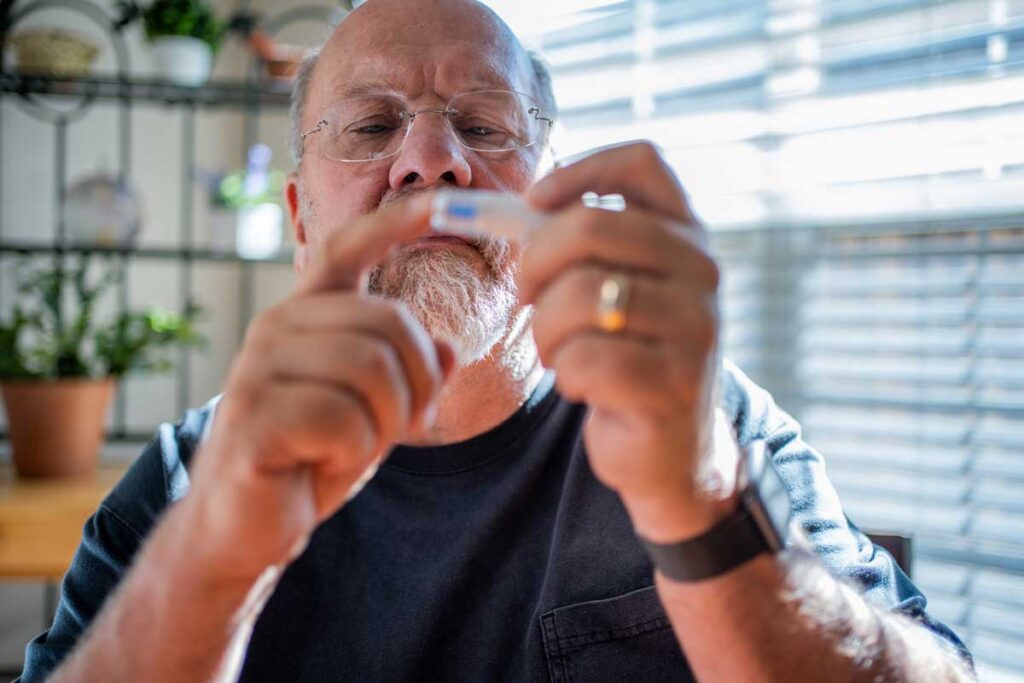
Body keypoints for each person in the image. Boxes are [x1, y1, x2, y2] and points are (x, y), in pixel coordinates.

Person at [19, 1, 975, 681]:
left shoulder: (705, 422)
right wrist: (210, 567)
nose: (431, 160)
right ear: (303, 219)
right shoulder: (190, 478)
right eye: (369, 125)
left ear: (553, 187)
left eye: (481, 124)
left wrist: (706, 506)